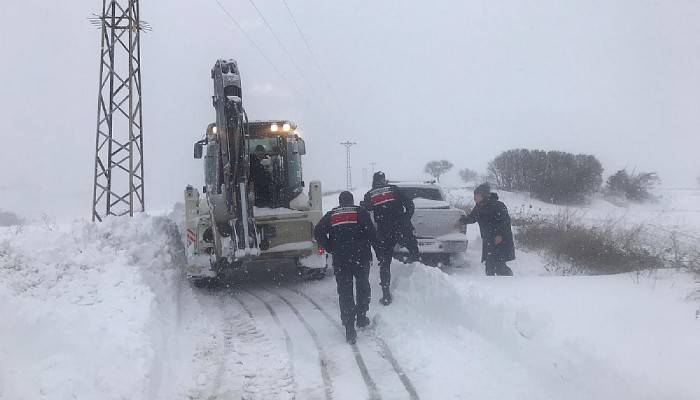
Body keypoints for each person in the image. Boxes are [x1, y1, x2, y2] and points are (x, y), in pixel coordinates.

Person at [314, 191, 379, 344]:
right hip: (360, 258)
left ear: (340, 202)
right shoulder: (360, 212)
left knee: (345, 293)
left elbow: (318, 232)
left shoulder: (332, 215)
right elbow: (372, 234)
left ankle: (349, 328)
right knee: (363, 287)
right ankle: (361, 317)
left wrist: (330, 247)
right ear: (351, 201)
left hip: (341, 259)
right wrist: (378, 252)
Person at [361, 172, 420, 305]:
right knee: (415, 252)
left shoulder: (370, 194)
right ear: (384, 180)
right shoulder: (394, 189)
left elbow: (367, 208)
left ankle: (386, 294)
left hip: (384, 231)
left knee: (384, 262)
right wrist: (406, 217)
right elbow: (410, 204)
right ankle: (420, 279)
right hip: (402, 228)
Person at [460, 183, 515, 276]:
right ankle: (491, 284)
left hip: (501, 240)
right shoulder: (479, 207)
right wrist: (462, 220)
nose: (475, 198)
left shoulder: (498, 205)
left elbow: (505, 222)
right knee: (489, 265)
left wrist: (500, 235)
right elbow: (472, 218)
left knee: (499, 264)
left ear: (483, 195)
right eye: (474, 195)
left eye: (477, 195)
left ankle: (508, 281)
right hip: (488, 240)